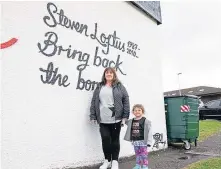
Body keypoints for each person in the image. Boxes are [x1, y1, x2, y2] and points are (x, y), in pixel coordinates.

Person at [90, 67, 130, 169]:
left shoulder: (119, 86)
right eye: (107, 72)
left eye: (111, 73)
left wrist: (125, 116)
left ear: (114, 75)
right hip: (103, 120)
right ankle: (107, 160)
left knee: (115, 140)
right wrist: (93, 115)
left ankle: (115, 161)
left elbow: (126, 100)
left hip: (116, 119)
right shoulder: (99, 87)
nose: (109, 74)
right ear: (104, 75)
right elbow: (94, 101)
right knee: (105, 139)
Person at [124, 104, 152, 169]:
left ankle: (145, 166)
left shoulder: (146, 121)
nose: (137, 112)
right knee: (137, 154)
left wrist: (149, 142)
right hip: (135, 141)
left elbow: (150, 132)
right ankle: (138, 165)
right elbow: (125, 121)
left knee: (144, 155)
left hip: (143, 141)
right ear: (133, 112)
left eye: (139, 110)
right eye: (135, 110)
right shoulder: (131, 121)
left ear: (142, 111)